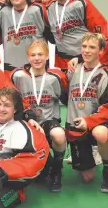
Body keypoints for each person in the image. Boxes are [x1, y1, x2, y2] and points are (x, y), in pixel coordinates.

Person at [11, 40, 68, 192]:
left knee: (59, 135)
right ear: (28, 57)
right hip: (27, 123)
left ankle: (57, 170)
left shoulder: (55, 77)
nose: (37, 58)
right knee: (39, 177)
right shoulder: (18, 76)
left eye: (40, 54)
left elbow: (68, 100)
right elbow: (12, 101)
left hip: (49, 120)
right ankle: (43, 165)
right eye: (33, 55)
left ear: (47, 56)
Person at [65, 33, 108, 191]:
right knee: (87, 178)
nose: (87, 51)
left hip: (96, 123)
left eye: (92, 47)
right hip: (76, 125)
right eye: (84, 47)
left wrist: (89, 122)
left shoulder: (105, 75)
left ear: (101, 51)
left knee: (100, 134)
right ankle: (93, 153)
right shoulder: (73, 69)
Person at [44, 0, 108, 69]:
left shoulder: (82, 5)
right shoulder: (48, 7)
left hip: (85, 59)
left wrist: (101, 62)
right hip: (62, 60)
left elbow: (101, 34)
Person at [0, 0, 47, 76]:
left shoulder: (38, 9)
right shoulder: (3, 12)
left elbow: (49, 34)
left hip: (36, 63)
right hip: (11, 64)